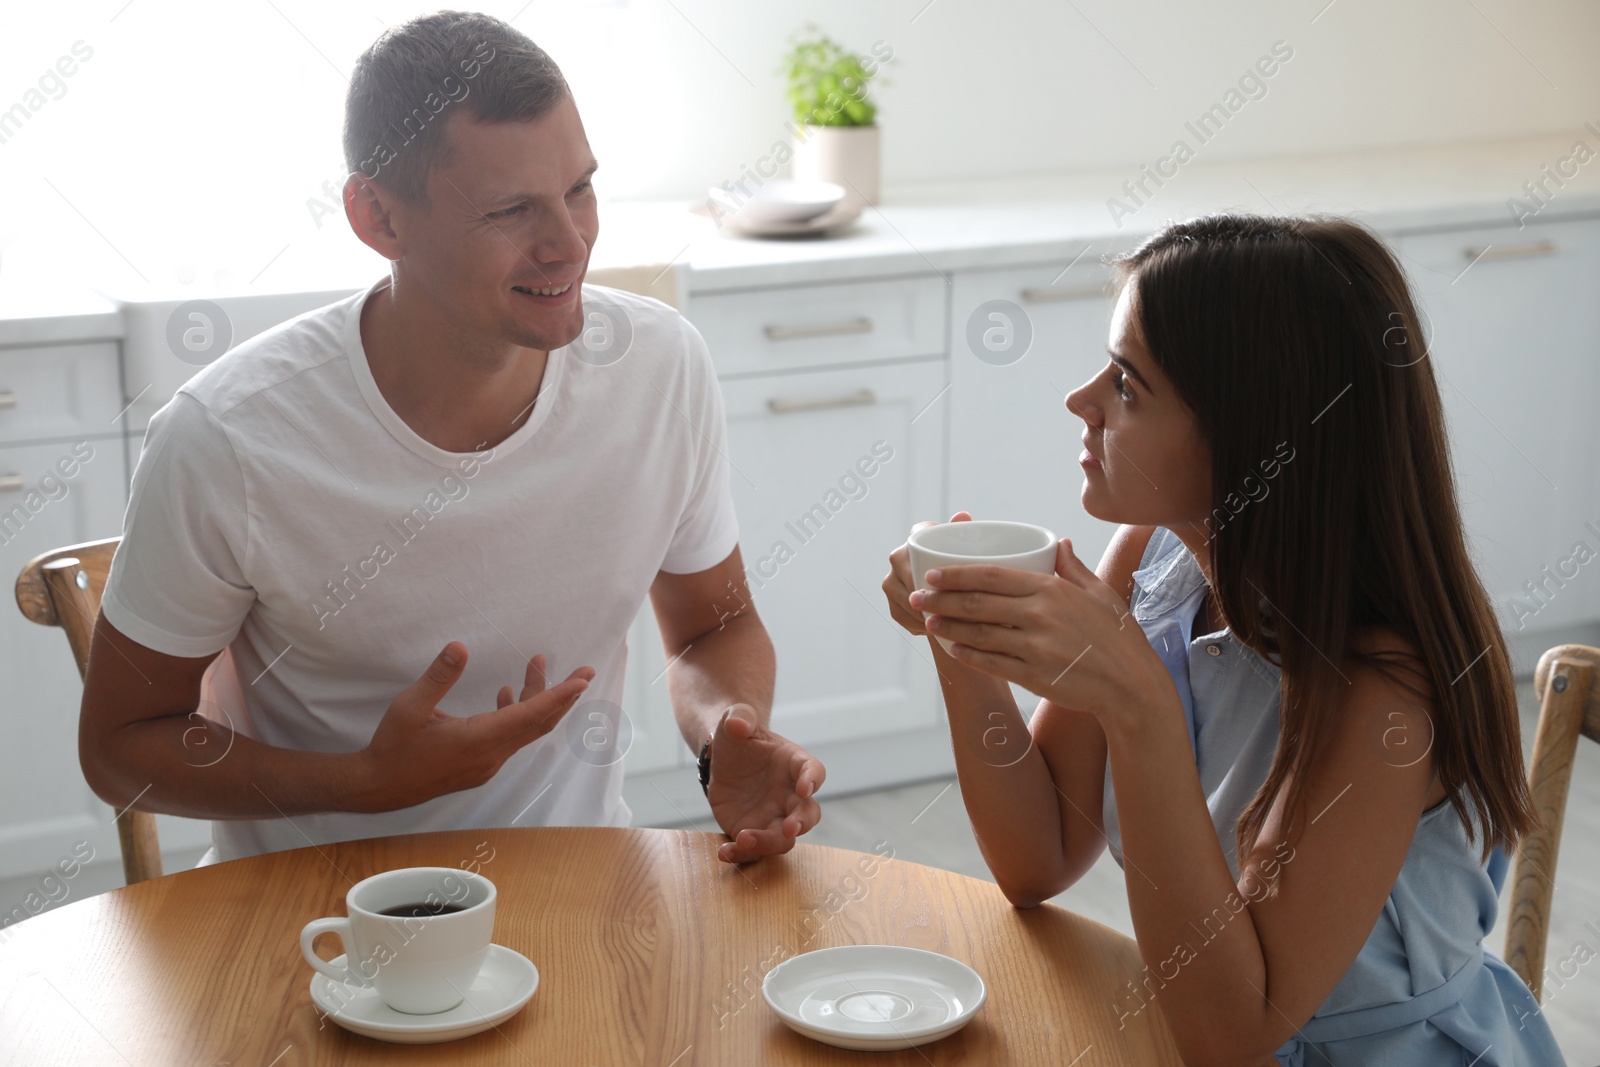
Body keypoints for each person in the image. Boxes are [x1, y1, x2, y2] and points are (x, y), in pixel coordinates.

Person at [79, 11, 823, 868]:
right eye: (511, 210)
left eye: (579, 189)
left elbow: (710, 630)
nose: (570, 245)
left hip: (575, 899)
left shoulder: (660, 368)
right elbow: (121, 747)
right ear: (376, 217)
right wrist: (360, 783)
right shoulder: (229, 438)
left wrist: (727, 729)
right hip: (310, 924)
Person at [881, 213, 1565, 1065]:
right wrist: (961, 636)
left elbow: (1233, 1035)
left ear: (1253, 443)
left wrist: (1139, 708)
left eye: (1127, 386)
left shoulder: (1386, 692)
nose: (1081, 400)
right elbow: (1038, 856)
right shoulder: (1160, 558)